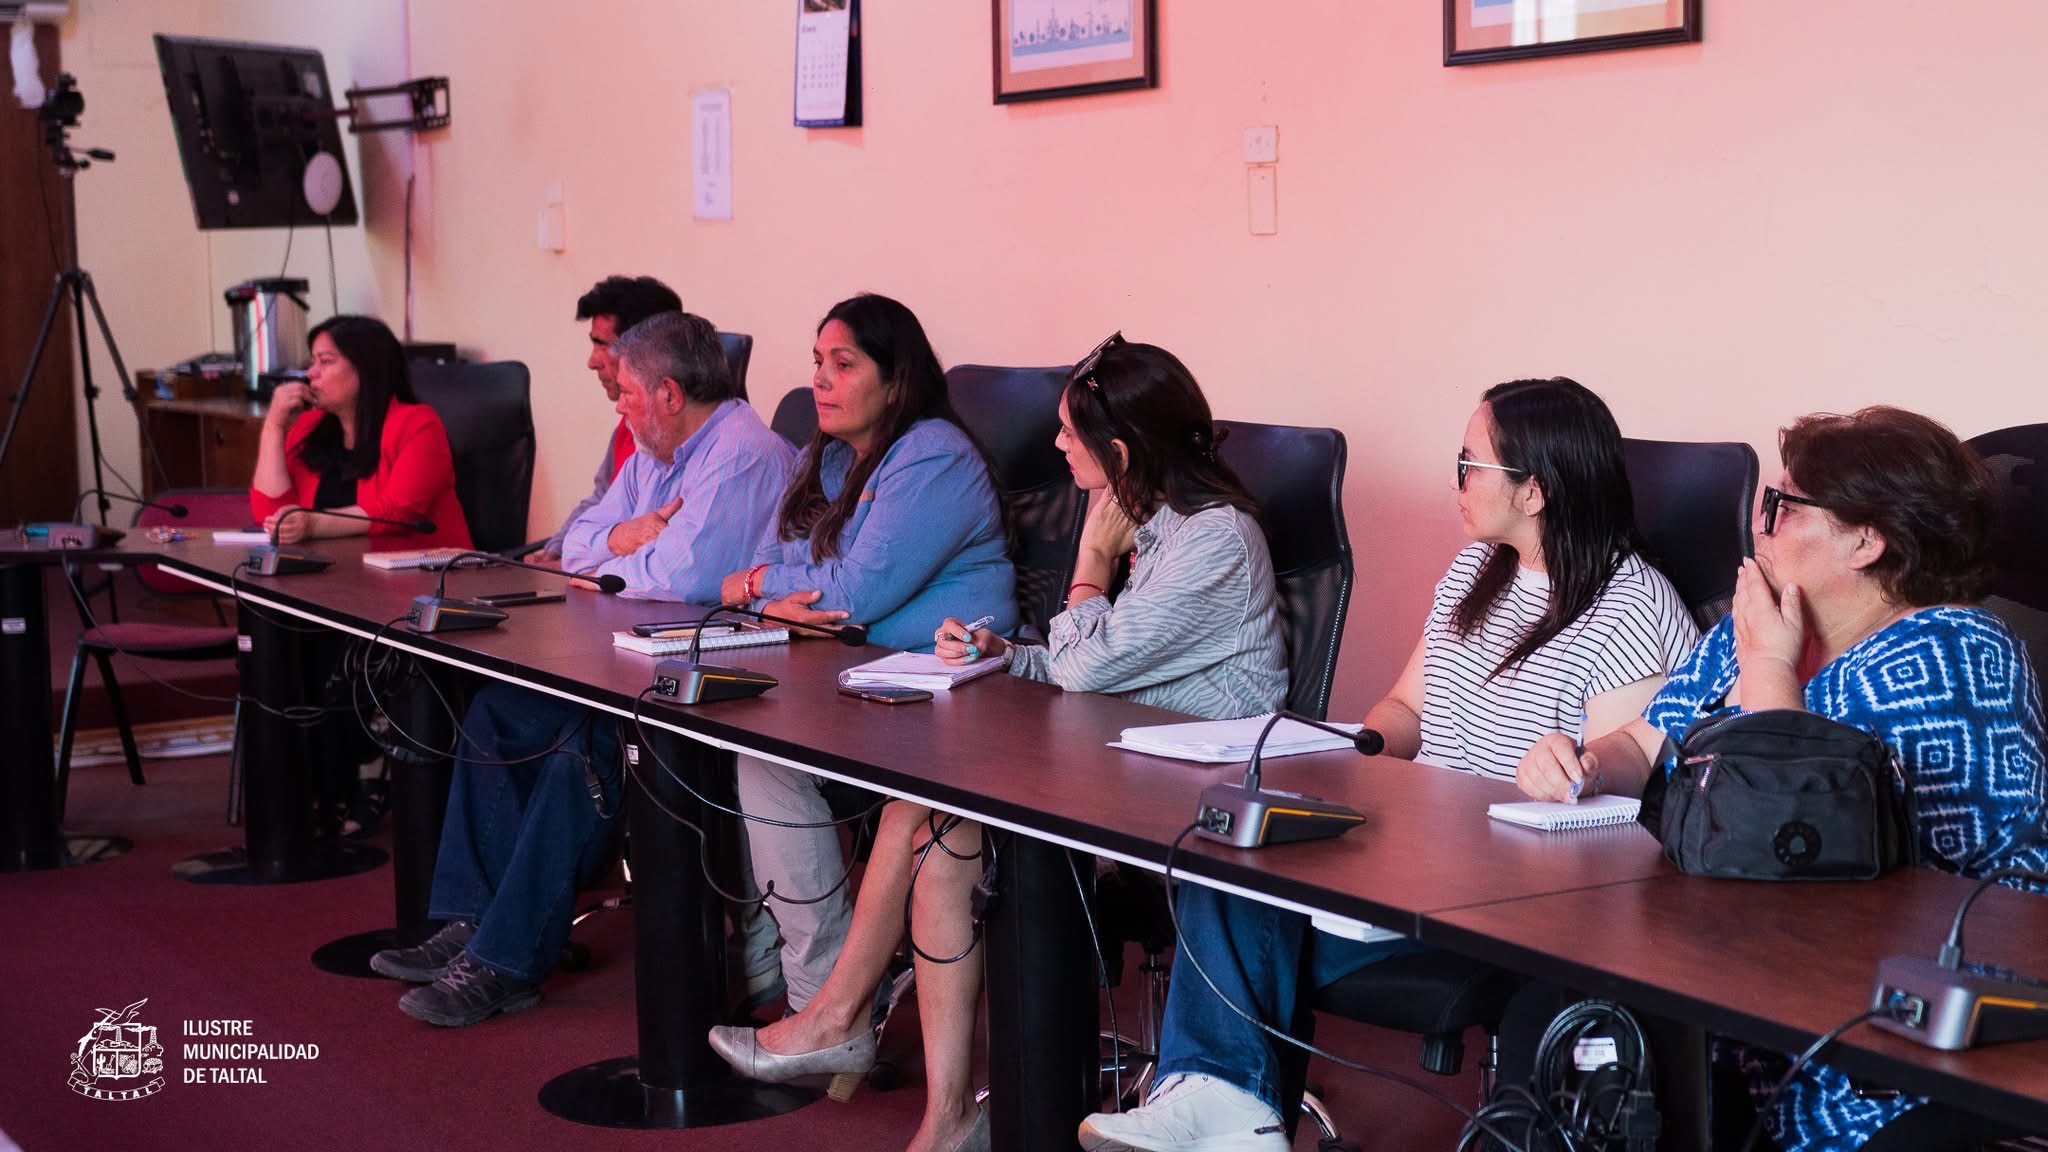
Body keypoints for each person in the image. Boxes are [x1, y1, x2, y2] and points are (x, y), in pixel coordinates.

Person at [1080, 377, 1699, 1152]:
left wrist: (1581, 762)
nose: (1455, 480)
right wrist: (1343, 754)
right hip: (1414, 849)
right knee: (1228, 839)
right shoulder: (1478, 570)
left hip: (1506, 889)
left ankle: (1233, 1105)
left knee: (1250, 892)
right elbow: (1404, 714)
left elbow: (1631, 761)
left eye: (1470, 464)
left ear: (1534, 491)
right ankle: (1227, 1103)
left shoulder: (1631, 604)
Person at [712, 335, 1292, 1152]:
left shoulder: (1212, 540)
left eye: (1068, 432)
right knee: (935, 826)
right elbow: (1097, 657)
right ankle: (947, 1114)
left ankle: (838, 1018)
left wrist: (1090, 557)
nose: (1054, 445)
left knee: (928, 808)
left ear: (1117, 452)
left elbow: (1092, 665)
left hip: (1190, 800)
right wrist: (1002, 653)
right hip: (1122, 765)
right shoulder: (1162, 528)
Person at [1519, 406, 2048, 1152]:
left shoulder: (1956, 649)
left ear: (1867, 539)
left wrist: (1769, 669)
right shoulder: (1762, 623)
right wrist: (1586, 760)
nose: (1758, 525)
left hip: (1902, 1020)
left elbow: (1794, 845)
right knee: (1554, 1016)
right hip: (1734, 962)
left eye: (1784, 507)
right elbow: (1647, 738)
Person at [369, 311, 798, 1028]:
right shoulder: (655, 454)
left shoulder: (743, 453)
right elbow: (581, 546)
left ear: (667, 392)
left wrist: (620, 556)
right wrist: (628, 537)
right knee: (497, 712)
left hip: (722, 673)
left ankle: (505, 963)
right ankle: (473, 923)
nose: (618, 404)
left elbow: (681, 576)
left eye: (627, 391)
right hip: (634, 655)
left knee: (584, 753)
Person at [703, 294, 1018, 1106]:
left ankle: (825, 1007)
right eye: (817, 362)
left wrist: (762, 588)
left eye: (843, 364)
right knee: (759, 747)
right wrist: (762, 588)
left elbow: (853, 595)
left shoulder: (932, 454)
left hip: (952, 696)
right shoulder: (836, 457)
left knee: (771, 749)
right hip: (867, 683)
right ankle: (822, 1000)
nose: (821, 379)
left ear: (896, 377)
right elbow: (774, 570)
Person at [251, 314, 470, 549]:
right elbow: (272, 515)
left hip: (427, 576)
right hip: (337, 576)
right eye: (312, 362)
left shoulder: (419, 425)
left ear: (366, 368)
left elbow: (398, 511)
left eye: (325, 362)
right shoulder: (309, 427)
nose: (311, 373)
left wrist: (313, 524)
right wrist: (273, 426)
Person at [535, 275, 683, 564]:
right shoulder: (628, 425)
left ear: (643, 350)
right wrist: (554, 551)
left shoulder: (677, 439)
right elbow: (600, 499)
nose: (592, 361)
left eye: (603, 345)